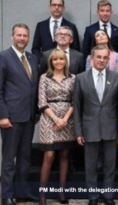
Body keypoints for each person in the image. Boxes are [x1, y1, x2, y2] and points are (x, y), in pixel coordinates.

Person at [73, 45, 118, 205]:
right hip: (89, 128)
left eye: (104, 57)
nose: (101, 60)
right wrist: (78, 131)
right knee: (91, 166)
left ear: (109, 59)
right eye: (98, 57)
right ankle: (93, 197)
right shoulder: (80, 78)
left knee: (110, 165)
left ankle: (108, 196)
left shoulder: (116, 77)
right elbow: (77, 106)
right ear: (92, 58)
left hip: (111, 127)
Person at [0, 23, 39, 205]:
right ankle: (7, 195)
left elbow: (33, 87)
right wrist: (2, 115)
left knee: (25, 158)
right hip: (11, 118)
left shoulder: (32, 58)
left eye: (25, 35)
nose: (22, 38)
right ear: (12, 37)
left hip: (29, 117)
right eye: (19, 35)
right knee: (9, 159)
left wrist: (36, 112)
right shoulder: (4, 57)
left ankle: (22, 192)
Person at [38, 49, 75, 205]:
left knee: (64, 155)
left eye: (61, 59)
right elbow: (41, 102)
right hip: (49, 118)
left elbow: (75, 101)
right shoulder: (44, 78)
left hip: (67, 119)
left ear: (65, 61)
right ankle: (42, 195)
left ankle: (61, 192)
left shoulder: (72, 78)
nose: (59, 62)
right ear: (51, 62)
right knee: (49, 156)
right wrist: (55, 119)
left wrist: (64, 119)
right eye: (55, 59)